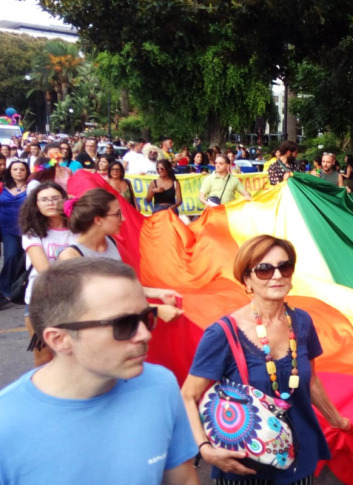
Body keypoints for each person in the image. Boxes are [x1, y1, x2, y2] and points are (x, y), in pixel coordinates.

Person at [0, 258, 199, 484]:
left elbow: (182, 480)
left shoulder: (160, 386)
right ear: (59, 339)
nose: (145, 334)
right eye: (123, 325)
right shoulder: (6, 425)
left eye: (146, 317)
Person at [181, 235, 351, 484]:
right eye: (263, 269)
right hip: (244, 464)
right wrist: (206, 449)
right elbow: (188, 395)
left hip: (297, 459)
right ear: (247, 279)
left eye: (284, 267)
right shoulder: (223, 334)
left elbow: (311, 381)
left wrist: (338, 420)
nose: (277, 275)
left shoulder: (302, 322)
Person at [19, 182, 76, 366]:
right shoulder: (32, 232)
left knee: (73, 355)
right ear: (36, 204)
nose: (50, 203)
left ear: (64, 201)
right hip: (41, 301)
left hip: (74, 301)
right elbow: (44, 270)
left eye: (55, 198)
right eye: (43, 199)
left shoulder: (77, 229)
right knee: (44, 357)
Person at [0, 159, 28, 306]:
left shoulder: (32, 187)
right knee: (10, 257)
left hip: (27, 229)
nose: (18, 172)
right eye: (15, 169)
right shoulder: (2, 187)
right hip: (6, 228)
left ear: (26, 172)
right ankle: (4, 291)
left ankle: (21, 289)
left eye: (22, 169)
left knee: (24, 259)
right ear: (10, 172)